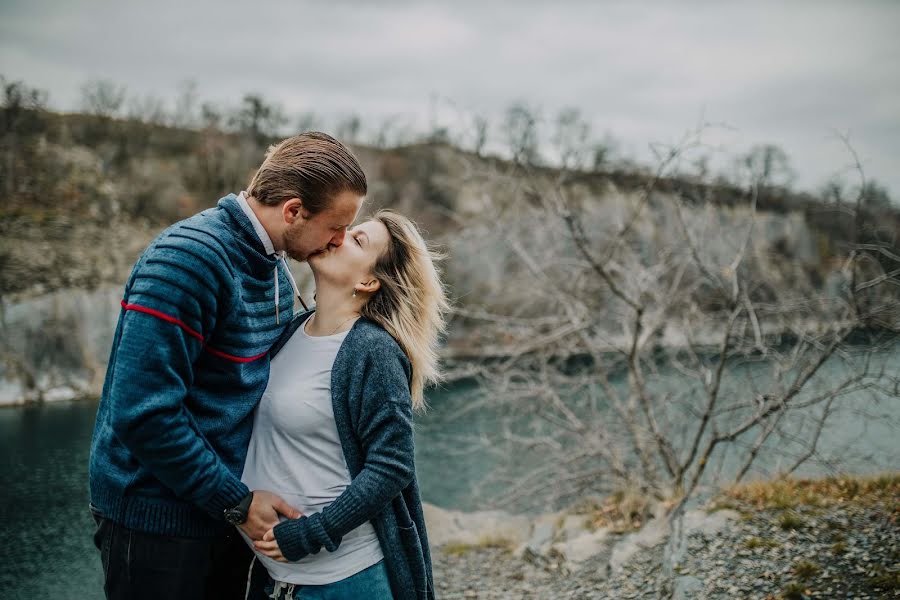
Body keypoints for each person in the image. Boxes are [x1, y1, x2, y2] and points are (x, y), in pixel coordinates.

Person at [88, 132, 367, 600]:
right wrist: (237, 502)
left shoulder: (271, 262)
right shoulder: (187, 259)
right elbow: (142, 413)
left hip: (221, 513)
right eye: (335, 227)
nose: (339, 241)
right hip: (158, 521)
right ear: (293, 211)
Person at [240, 210, 448, 600]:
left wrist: (312, 533)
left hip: (344, 580)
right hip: (277, 578)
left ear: (369, 281)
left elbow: (392, 465)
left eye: (358, 240)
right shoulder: (290, 332)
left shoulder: (374, 350)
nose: (339, 236)